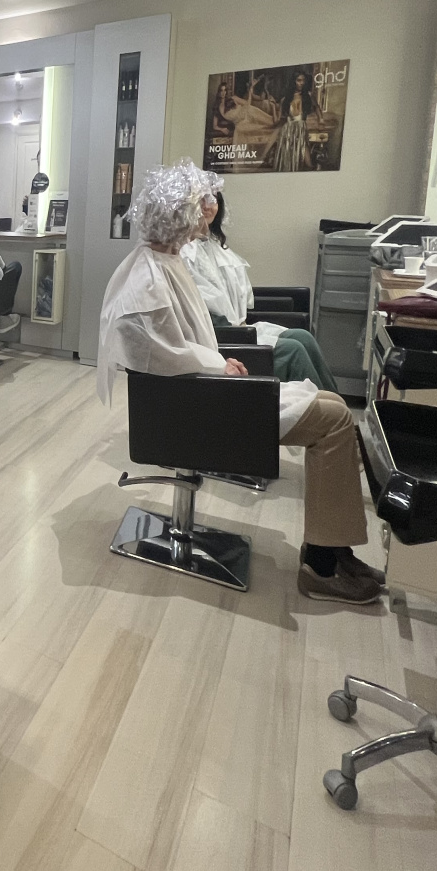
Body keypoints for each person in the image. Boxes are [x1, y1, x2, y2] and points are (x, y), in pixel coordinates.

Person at [97, 159, 383, 603]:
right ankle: (323, 565)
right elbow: (161, 359)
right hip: (193, 410)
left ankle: (332, 551)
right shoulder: (148, 284)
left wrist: (217, 360)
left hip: (201, 393)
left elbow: (180, 347)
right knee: (333, 419)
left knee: (331, 404)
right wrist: (217, 368)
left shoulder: (165, 261)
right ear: (178, 211)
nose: (208, 211)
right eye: (200, 203)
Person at [182, 192, 338, 391]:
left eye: (212, 200)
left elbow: (233, 297)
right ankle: (322, 408)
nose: (207, 206)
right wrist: (237, 329)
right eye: (201, 199)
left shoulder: (213, 244)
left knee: (304, 337)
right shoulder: (183, 253)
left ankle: (335, 402)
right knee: (294, 350)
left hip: (238, 327)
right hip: (223, 336)